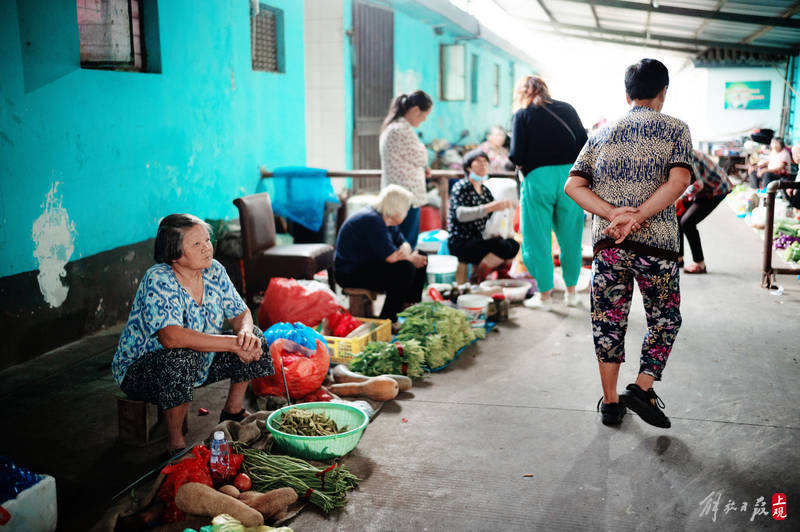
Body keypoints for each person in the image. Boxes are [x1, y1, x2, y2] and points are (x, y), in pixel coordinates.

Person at [564, 58, 693, 429]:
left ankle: (610, 403)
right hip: (658, 248)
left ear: (627, 94)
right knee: (664, 319)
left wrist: (611, 213)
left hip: (609, 246)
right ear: (663, 93)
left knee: (608, 321)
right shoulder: (676, 129)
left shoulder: (602, 133)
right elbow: (678, 181)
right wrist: (638, 217)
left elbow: (573, 185)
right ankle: (642, 386)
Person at [112, 214, 274, 457]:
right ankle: (175, 443)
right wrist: (232, 343)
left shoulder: (214, 271)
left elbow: (241, 312)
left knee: (255, 338)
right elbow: (172, 338)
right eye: (196, 244)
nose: (206, 248)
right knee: (182, 357)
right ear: (174, 253)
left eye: (207, 240)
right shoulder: (159, 279)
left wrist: (244, 333)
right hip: (142, 369)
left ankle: (232, 411)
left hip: (200, 360)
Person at [509, 75, 588, 309]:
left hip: (537, 180)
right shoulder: (567, 109)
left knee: (537, 239)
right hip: (570, 180)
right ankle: (571, 294)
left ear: (522, 93)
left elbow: (515, 154)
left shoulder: (522, 114)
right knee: (571, 238)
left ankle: (544, 296)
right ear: (545, 89)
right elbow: (584, 143)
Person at [335, 185, 428, 321]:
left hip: (369, 264)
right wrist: (410, 257)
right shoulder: (372, 220)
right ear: (398, 209)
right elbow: (391, 257)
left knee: (421, 256)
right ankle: (388, 319)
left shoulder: (387, 218)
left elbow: (402, 241)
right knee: (405, 268)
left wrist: (407, 248)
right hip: (350, 272)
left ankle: (409, 306)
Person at [448, 149, 519, 283]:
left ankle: (501, 275)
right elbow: (460, 215)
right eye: (478, 161)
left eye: (485, 161)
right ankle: (477, 278)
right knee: (503, 246)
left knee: (513, 244)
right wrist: (490, 207)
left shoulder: (485, 191)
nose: (483, 164)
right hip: (461, 243)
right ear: (468, 167)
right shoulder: (461, 187)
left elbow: (492, 219)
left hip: (479, 240)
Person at [379, 90, 434, 249]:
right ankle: (405, 272)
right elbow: (421, 157)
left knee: (399, 241)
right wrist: (423, 149)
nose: (424, 120)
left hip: (401, 194)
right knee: (406, 243)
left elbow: (411, 158)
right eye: (424, 115)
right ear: (416, 110)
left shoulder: (393, 127)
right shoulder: (401, 130)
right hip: (406, 196)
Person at [677, 150, 732, 274]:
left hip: (716, 190)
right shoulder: (677, 154)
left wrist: (680, 198)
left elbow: (697, 185)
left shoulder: (685, 155)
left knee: (687, 222)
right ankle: (678, 258)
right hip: (703, 190)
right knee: (677, 216)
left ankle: (699, 264)